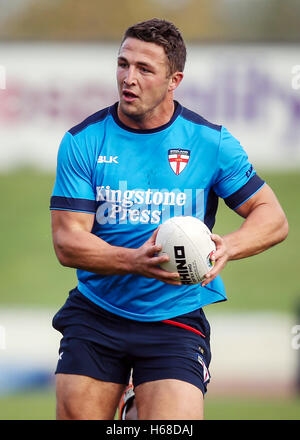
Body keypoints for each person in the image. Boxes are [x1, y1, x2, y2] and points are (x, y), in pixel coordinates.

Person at [50, 18, 288, 420]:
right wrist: (134, 261)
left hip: (173, 317)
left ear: (174, 79)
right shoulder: (83, 141)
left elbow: (273, 218)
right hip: (96, 314)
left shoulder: (210, 143)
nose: (129, 78)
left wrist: (228, 246)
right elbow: (67, 241)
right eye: (123, 64)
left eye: (144, 69)